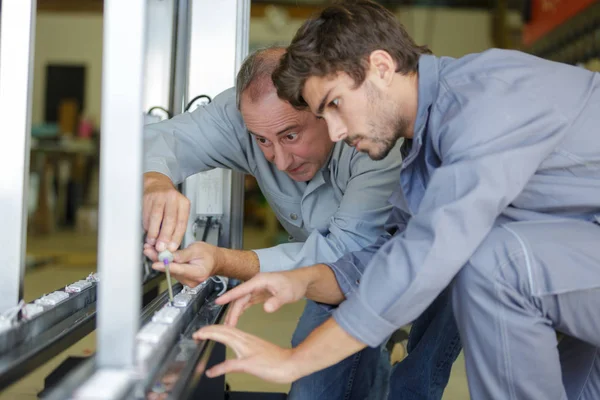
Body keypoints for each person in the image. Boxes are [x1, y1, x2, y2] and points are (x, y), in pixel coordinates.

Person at [192, 1, 600, 399]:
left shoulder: (484, 101)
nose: (334, 131)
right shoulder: (423, 151)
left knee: (495, 264)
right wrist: (302, 279)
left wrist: (296, 361)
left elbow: (429, 252)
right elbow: (386, 256)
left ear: (381, 68)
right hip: (579, 275)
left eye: (335, 104)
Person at [142, 46, 456, 400]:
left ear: (324, 108)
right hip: (329, 271)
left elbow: (345, 255)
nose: (279, 160)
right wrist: (155, 180)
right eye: (262, 141)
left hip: (404, 256)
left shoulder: (371, 138)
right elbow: (158, 139)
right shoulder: (245, 114)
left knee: (416, 378)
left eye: (291, 135)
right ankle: (378, 362)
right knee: (315, 392)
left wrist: (225, 261)